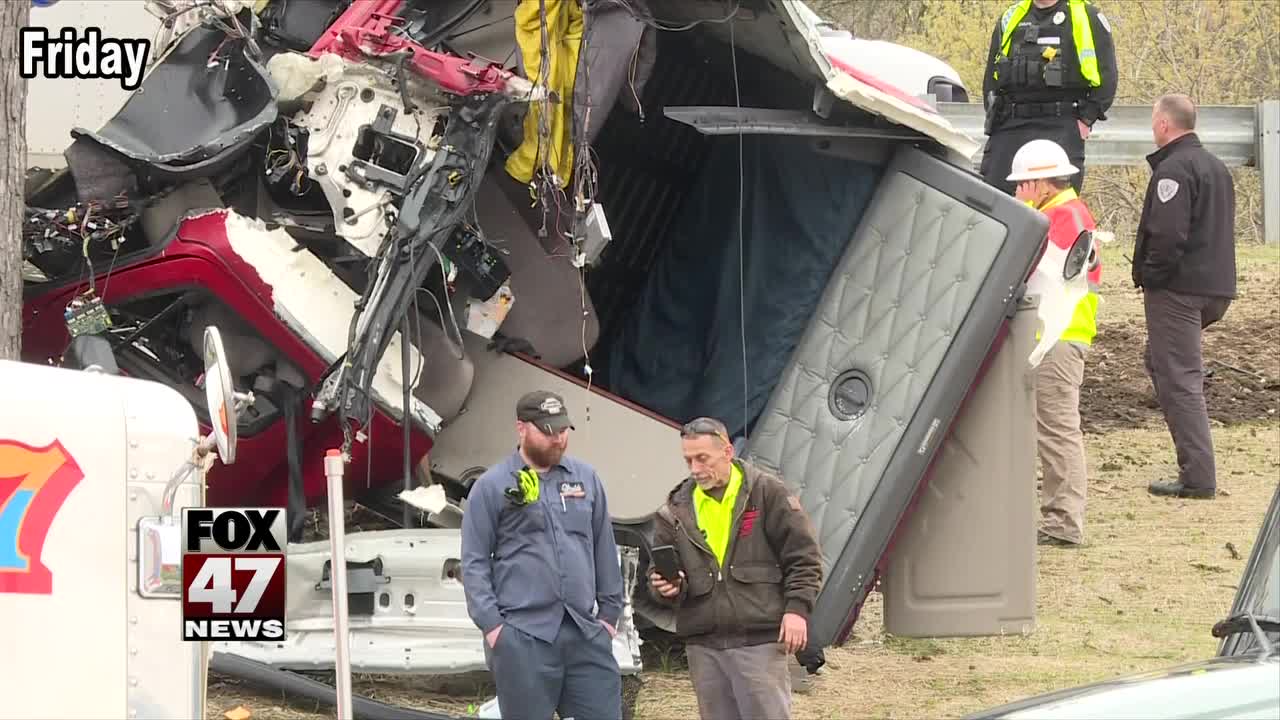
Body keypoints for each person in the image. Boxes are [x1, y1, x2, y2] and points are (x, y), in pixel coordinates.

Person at [460, 390, 625, 719]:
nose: (558, 439)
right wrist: (494, 628)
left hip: (584, 632)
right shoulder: (492, 486)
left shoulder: (586, 479)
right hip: (523, 636)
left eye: (563, 430)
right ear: (522, 428)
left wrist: (608, 617)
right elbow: (474, 562)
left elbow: (603, 548)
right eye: (548, 431)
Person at [647, 416, 823, 720]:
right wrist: (665, 586)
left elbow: (804, 557)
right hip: (704, 646)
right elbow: (658, 573)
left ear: (727, 451)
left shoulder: (768, 494)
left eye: (703, 458)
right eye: (688, 460)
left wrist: (797, 610)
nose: (695, 469)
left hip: (759, 640)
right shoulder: (674, 509)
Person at [1133, 94, 1237, 500]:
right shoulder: (1215, 167)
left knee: (1179, 379)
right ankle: (1195, 464)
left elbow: (1167, 236)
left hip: (1179, 290)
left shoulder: (1173, 170)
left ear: (1163, 124)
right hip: (1215, 288)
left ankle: (1198, 478)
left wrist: (1151, 277)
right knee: (1160, 362)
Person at [1007, 139, 1102, 547]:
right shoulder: (1064, 212)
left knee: (1058, 429)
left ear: (1042, 182)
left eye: (1023, 185)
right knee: (1054, 427)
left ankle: (1063, 521)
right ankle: (1060, 516)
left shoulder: (1062, 216)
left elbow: (1028, 263)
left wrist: (1022, 213)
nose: (1018, 192)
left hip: (1059, 338)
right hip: (1060, 336)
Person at [980, 0, 1118, 196]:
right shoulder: (1011, 17)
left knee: (1056, 206)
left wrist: (1086, 118)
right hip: (1011, 125)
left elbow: (1107, 77)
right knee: (995, 203)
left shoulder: (1085, 16)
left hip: (1061, 124)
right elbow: (991, 81)